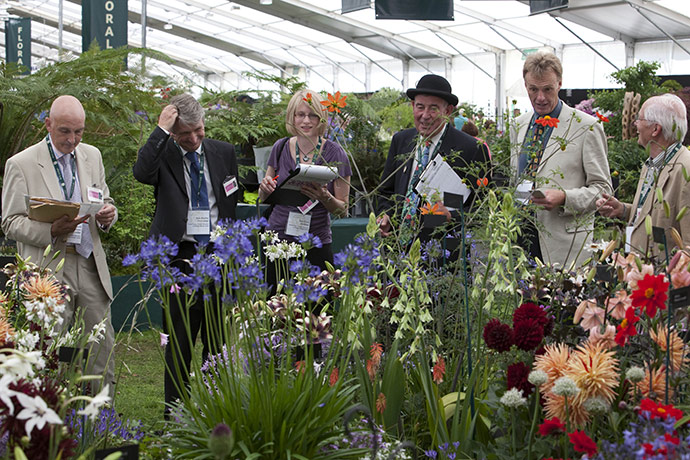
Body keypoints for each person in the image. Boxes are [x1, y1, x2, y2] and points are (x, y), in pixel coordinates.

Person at [1, 95, 116, 393]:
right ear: (48, 124)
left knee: (100, 347)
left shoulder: (92, 155)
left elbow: (103, 199)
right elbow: (10, 222)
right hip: (48, 268)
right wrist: (51, 230)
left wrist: (107, 215)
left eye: (79, 132)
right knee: (50, 349)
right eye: (65, 131)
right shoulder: (22, 164)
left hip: (89, 262)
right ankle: (52, 424)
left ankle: (100, 423)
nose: (72, 140)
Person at [133, 93, 239, 414]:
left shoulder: (224, 152)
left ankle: (215, 408)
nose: (193, 139)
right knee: (178, 342)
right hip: (180, 256)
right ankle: (176, 414)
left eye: (198, 131)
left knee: (217, 341)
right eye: (184, 134)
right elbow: (141, 172)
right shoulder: (163, 154)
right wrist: (162, 131)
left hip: (218, 254)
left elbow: (230, 198)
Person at [510, 51, 612, 268]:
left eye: (547, 89)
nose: (540, 98)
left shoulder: (586, 127)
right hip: (522, 238)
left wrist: (565, 197)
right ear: (525, 85)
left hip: (564, 244)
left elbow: (603, 189)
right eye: (533, 89)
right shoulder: (519, 124)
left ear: (559, 84)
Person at [258, 90, 351, 291]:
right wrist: (264, 188)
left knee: (316, 314)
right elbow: (264, 197)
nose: (306, 121)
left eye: (312, 115)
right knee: (276, 309)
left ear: (321, 118)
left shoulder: (335, 153)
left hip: (315, 242)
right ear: (292, 117)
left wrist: (325, 198)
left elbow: (343, 210)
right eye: (300, 115)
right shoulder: (280, 147)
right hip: (278, 241)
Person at [377, 74, 490, 237]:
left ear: (448, 111)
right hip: (398, 249)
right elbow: (385, 192)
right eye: (420, 107)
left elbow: (483, 207)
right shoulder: (401, 140)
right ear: (412, 106)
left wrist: (453, 217)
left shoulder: (471, 149)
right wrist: (385, 215)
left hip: (444, 252)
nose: (425, 115)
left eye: (434, 108)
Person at [597, 93, 690, 257]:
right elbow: (652, 213)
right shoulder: (651, 164)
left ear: (655, 129)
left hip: (667, 278)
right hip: (642, 272)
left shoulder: (686, 169)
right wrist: (623, 210)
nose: (635, 125)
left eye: (639, 119)